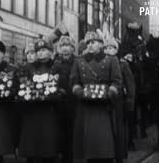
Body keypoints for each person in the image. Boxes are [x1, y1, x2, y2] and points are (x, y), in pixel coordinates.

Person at [70, 31, 123, 163]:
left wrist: (110, 92)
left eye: (93, 42)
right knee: (87, 146)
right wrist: (79, 92)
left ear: (101, 44)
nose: (90, 45)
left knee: (105, 144)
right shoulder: (79, 61)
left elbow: (117, 81)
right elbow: (73, 81)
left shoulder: (112, 60)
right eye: (88, 43)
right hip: (85, 107)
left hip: (104, 108)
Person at [18, 39, 66, 163]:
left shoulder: (57, 66)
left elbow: (64, 87)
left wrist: (57, 93)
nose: (40, 53)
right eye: (38, 51)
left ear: (51, 52)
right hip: (32, 110)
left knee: (48, 148)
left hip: (50, 111)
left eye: (44, 50)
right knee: (32, 148)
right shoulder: (29, 67)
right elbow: (23, 84)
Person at [103, 37, 136, 162]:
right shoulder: (102, 63)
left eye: (111, 48)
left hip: (119, 103)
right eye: (106, 48)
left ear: (116, 50)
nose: (108, 51)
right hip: (105, 101)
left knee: (119, 131)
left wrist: (129, 103)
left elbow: (130, 85)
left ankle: (119, 156)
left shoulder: (123, 64)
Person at [53, 35, 77, 163]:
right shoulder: (56, 64)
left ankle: (70, 156)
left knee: (72, 131)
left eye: (68, 46)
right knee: (60, 130)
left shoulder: (78, 62)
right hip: (59, 102)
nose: (65, 49)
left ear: (73, 48)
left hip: (74, 102)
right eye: (62, 46)